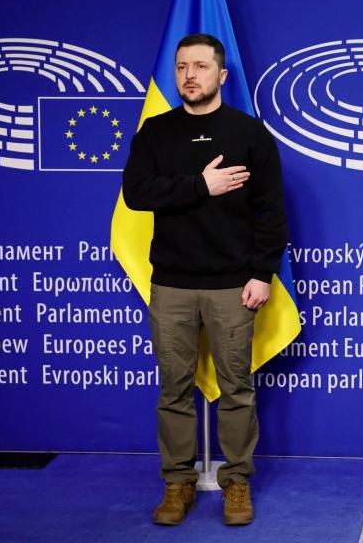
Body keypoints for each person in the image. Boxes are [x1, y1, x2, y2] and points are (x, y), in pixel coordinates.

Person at [122, 33, 288, 527]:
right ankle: (178, 484)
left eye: (199, 66)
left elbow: (272, 213)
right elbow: (135, 192)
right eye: (181, 67)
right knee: (173, 389)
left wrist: (262, 274)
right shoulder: (154, 132)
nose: (189, 75)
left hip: (233, 286)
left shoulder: (250, 134)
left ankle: (237, 482)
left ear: (222, 74)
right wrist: (202, 185)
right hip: (171, 284)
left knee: (236, 389)